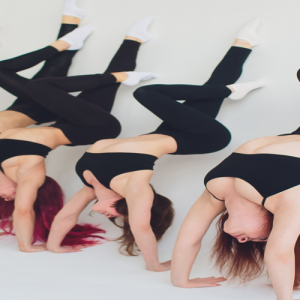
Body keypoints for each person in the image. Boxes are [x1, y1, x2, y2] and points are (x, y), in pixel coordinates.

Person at [47, 19, 266, 273]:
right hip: (206, 138)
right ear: (127, 204)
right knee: (148, 94)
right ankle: (229, 89)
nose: (111, 217)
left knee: (206, 91)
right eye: (120, 216)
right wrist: (154, 265)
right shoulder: (133, 186)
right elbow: (142, 227)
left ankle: (243, 45)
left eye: (116, 218)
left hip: (167, 134)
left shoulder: (90, 184)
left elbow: (65, 216)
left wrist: (54, 246)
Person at [0, 14, 156, 252]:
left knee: (43, 85)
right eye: (8, 199)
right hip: (92, 129)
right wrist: (25, 246)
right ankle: (123, 58)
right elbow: (23, 210)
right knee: (48, 87)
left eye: (4, 200)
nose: (6, 199)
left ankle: (130, 39)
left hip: (66, 123)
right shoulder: (28, 175)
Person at [170, 51, 300, 300]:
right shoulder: (287, 199)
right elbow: (280, 253)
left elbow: (188, 239)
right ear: (274, 219)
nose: (241, 240)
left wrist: (180, 280)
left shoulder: (217, 190)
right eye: (263, 238)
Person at [0, 0, 86, 132]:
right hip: (46, 108)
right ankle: (60, 43)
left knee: (53, 66)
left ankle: (70, 24)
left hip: (23, 107)